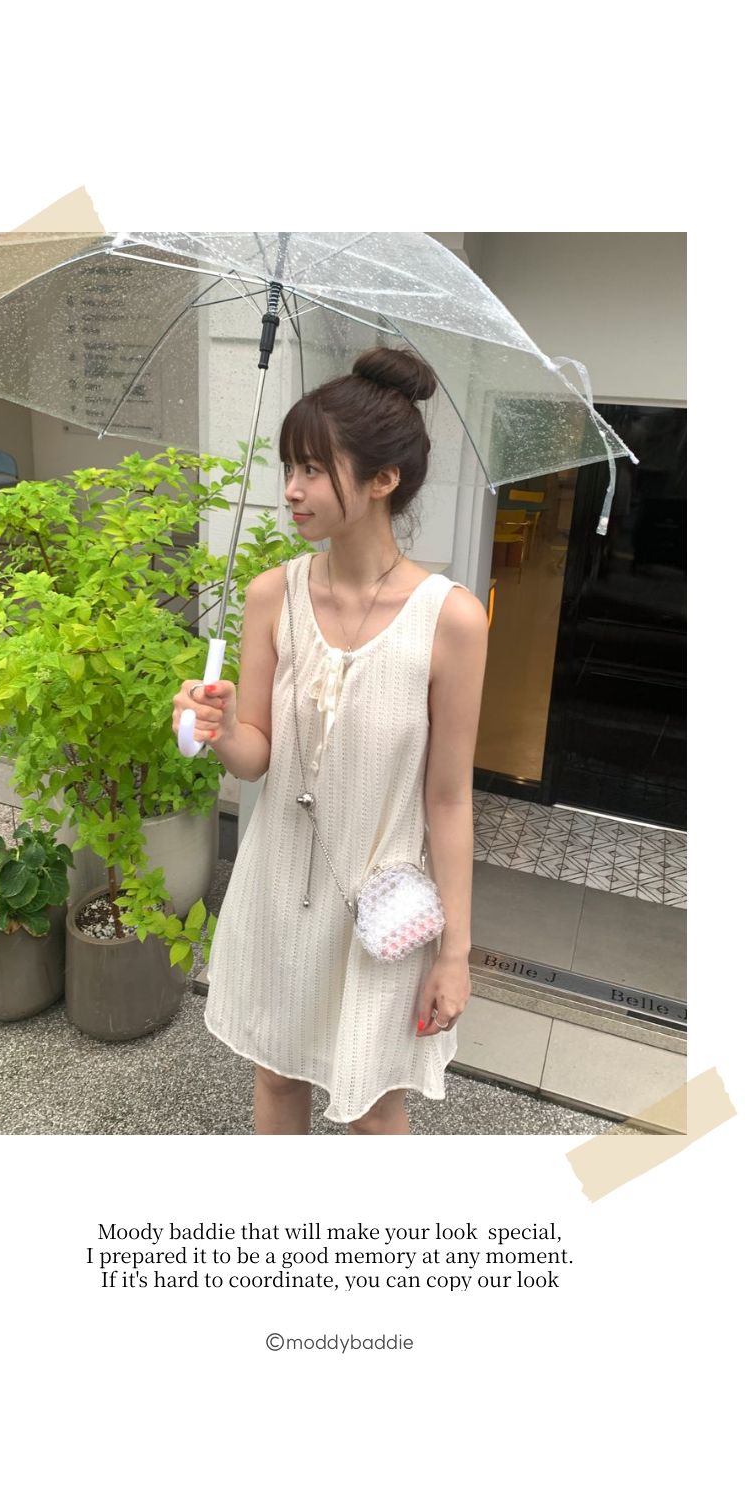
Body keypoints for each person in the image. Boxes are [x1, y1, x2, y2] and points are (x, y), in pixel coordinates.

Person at [172, 347, 489, 1135]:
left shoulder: (450, 620)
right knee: (277, 1078)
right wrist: (220, 729)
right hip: (278, 888)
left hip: (379, 905)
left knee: (374, 1110)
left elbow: (449, 799)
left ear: (384, 480)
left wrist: (455, 953)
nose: (291, 488)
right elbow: (257, 756)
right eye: (290, 466)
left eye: (313, 469)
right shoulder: (271, 596)